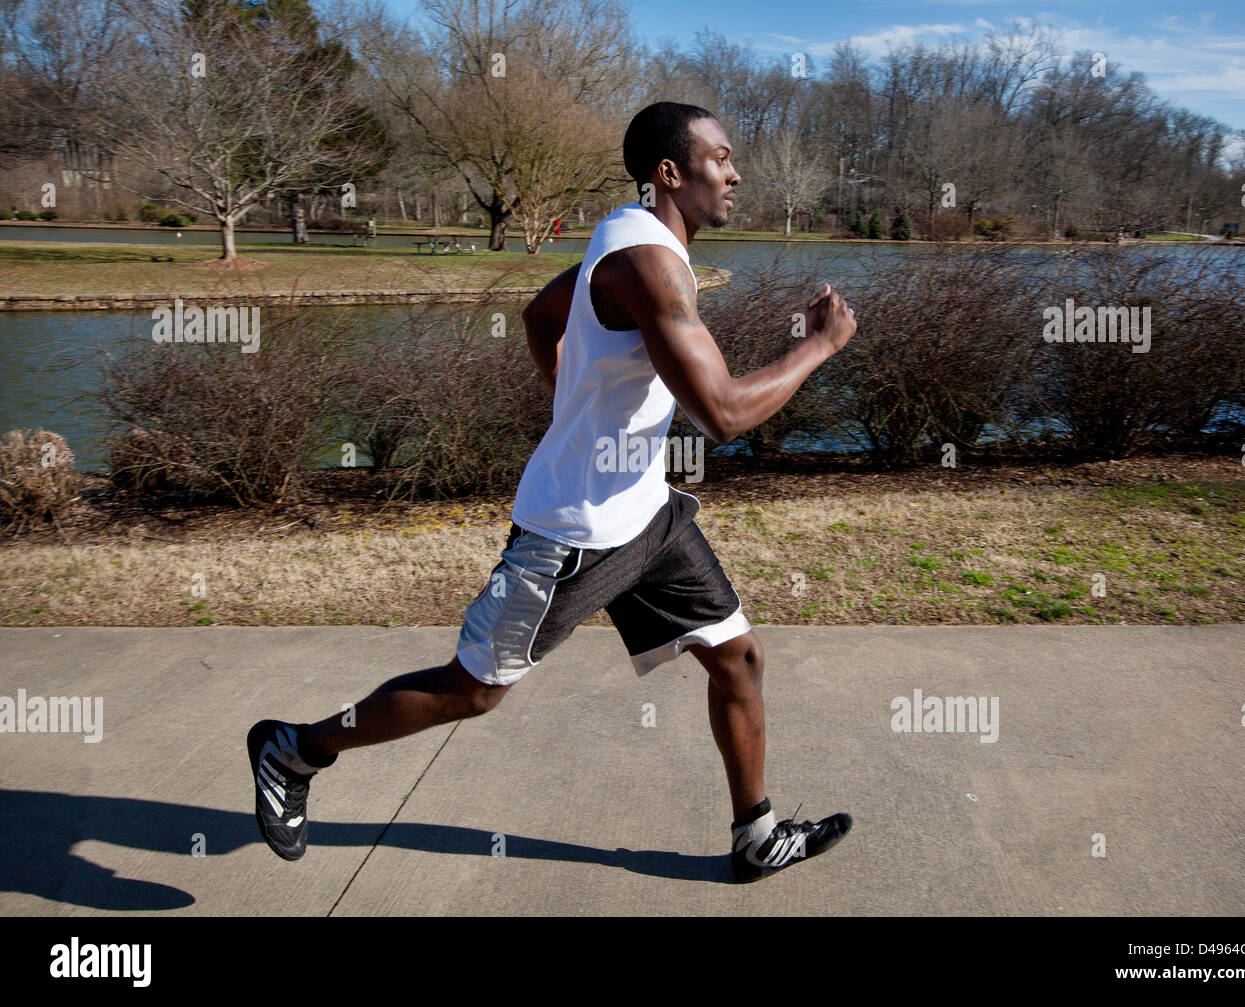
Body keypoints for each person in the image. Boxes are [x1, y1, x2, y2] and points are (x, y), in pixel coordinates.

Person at [247, 101, 858, 885]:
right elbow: (724, 412)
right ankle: (296, 748)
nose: (735, 173)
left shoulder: (629, 235)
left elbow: (541, 315)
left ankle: (755, 834)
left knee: (737, 657)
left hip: (647, 513)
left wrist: (577, 403)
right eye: (722, 158)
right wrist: (817, 348)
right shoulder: (651, 264)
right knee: (471, 691)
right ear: (670, 173)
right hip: (572, 531)